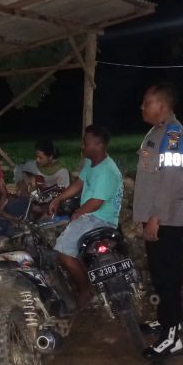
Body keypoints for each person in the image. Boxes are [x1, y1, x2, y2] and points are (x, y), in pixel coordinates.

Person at [133, 83, 183, 361]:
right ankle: (165, 320)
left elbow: (170, 182)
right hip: (155, 219)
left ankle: (172, 338)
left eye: (147, 103)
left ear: (162, 106)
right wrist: (143, 217)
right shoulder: (156, 132)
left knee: (168, 280)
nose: (142, 107)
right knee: (159, 276)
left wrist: (155, 218)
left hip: (167, 220)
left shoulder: (174, 135)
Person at [48, 125, 123, 309]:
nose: (82, 146)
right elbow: (79, 183)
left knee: (63, 253)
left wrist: (78, 212)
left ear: (98, 145)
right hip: (92, 215)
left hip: (98, 218)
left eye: (86, 142)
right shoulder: (91, 163)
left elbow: (96, 202)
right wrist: (59, 199)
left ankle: (85, 291)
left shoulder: (107, 170)